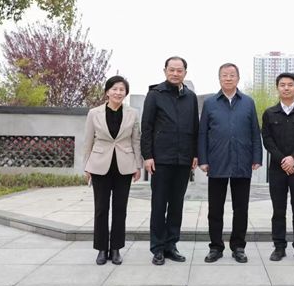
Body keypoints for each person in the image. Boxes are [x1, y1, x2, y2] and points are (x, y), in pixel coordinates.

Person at [198, 63, 262, 263]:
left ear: (238, 78)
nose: (228, 78)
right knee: (215, 209)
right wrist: (203, 159)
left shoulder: (248, 102)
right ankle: (216, 247)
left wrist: (257, 157)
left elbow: (255, 131)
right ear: (219, 78)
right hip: (217, 162)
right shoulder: (210, 103)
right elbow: (202, 133)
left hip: (242, 161)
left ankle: (238, 247)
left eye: (232, 75)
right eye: (224, 75)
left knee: (241, 209)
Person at [141, 56, 199, 265]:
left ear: (185, 72)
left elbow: (195, 127)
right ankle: (157, 248)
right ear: (165, 71)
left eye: (179, 70)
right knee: (159, 204)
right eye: (171, 70)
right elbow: (146, 127)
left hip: (183, 159)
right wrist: (147, 156)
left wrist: (195, 154)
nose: (175, 73)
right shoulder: (155, 95)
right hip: (160, 160)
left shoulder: (191, 97)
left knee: (176, 205)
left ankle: (171, 245)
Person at [83, 75, 142, 265]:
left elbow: (136, 140)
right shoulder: (94, 113)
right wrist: (86, 166)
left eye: (122, 89)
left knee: (120, 209)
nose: (118, 92)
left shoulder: (132, 113)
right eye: (114, 89)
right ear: (107, 92)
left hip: (124, 166)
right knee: (101, 208)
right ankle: (102, 248)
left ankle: (116, 248)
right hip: (99, 165)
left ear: (126, 93)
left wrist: (138, 165)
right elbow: (88, 141)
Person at [262, 72, 294, 263]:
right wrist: (283, 160)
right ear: (277, 88)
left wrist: (293, 158)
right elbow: (267, 140)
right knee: (278, 210)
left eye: (290, 85)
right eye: (282, 85)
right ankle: (279, 247)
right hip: (277, 170)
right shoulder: (269, 113)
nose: (286, 88)